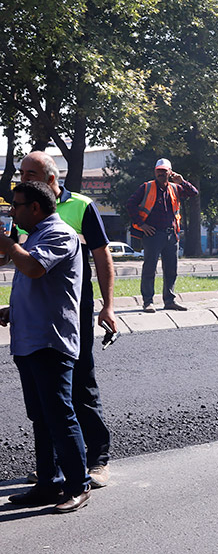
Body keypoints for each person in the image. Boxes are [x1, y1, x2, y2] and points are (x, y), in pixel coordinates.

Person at [19, 151, 115, 488]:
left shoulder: (81, 207)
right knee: (48, 392)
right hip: (40, 312)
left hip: (74, 308)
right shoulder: (25, 209)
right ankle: (56, 467)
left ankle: (97, 459)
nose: (24, 179)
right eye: (21, 172)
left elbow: (103, 256)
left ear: (51, 178)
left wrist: (108, 305)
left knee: (80, 382)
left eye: (30, 173)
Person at [1, 181, 91, 512]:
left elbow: (35, 269)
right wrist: (14, 309)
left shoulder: (59, 233)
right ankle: (48, 484)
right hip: (30, 339)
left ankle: (78, 485)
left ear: (35, 208)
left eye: (17, 205)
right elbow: (37, 283)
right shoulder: (35, 236)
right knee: (41, 417)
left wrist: (8, 245)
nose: (12, 210)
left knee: (59, 415)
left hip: (50, 341)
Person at [126, 158, 197, 312]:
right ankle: (148, 302)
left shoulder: (175, 188)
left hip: (171, 236)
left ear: (170, 172)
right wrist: (141, 225)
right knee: (150, 269)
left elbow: (194, 193)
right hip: (152, 235)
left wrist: (182, 181)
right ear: (155, 171)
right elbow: (130, 204)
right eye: (159, 171)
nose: (161, 173)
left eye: (164, 171)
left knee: (171, 269)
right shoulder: (146, 187)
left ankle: (169, 300)